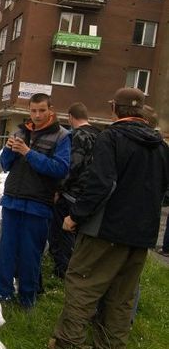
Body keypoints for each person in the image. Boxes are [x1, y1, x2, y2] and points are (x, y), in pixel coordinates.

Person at [50, 87, 169, 349]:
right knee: (121, 296)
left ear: (115, 108)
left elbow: (101, 184)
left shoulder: (112, 138)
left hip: (105, 230)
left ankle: (71, 346)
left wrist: (75, 216)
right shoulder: (161, 148)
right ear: (140, 111)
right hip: (141, 235)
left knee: (82, 285)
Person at [0, 93, 71, 308]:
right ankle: (2, 294)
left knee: (30, 254)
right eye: (33, 110)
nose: (37, 115)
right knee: (6, 250)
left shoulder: (62, 136)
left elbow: (60, 169)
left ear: (51, 110)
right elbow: (6, 165)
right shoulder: (20, 132)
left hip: (38, 204)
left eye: (42, 110)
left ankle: (27, 300)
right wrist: (8, 150)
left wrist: (28, 153)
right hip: (12, 200)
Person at [48, 102, 100, 278]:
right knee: (81, 237)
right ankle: (80, 268)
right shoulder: (100, 136)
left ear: (70, 117)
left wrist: (58, 189)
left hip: (71, 194)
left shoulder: (76, 136)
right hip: (90, 196)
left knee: (63, 233)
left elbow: (72, 166)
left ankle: (63, 270)